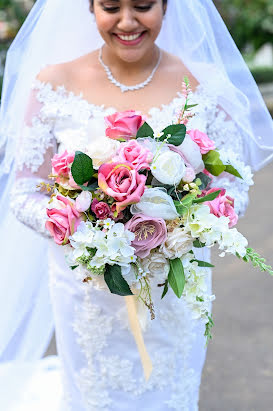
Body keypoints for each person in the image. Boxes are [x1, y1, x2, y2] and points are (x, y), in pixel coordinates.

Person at [0, 0, 272, 410]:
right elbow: (24, 193)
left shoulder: (204, 82)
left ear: (166, 6)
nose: (127, 21)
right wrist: (85, 228)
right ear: (90, 8)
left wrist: (188, 223)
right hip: (87, 293)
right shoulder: (52, 83)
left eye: (143, 6)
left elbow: (231, 183)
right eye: (111, 7)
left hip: (174, 286)